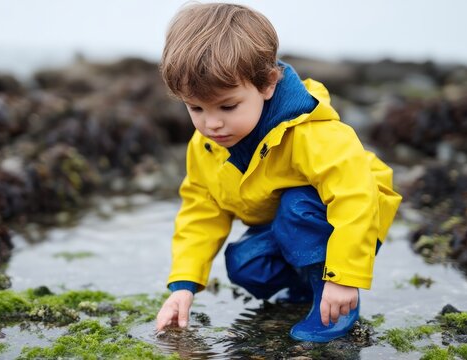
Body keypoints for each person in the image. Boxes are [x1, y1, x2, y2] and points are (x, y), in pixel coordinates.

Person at [155, 2, 401, 342]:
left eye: (228, 106)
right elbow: (201, 210)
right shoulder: (206, 145)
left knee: (297, 207)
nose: (211, 123)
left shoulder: (311, 132)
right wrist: (183, 286)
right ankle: (308, 287)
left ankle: (335, 297)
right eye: (196, 108)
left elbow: (354, 197)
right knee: (245, 263)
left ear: (268, 84)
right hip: (286, 225)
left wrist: (345, 278)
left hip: (354, 214)